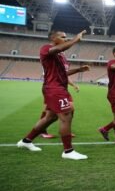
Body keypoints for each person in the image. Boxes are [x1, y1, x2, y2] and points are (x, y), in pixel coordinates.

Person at [17, 30, 90, 160]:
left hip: (60, 87)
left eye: (66, 37)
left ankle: (26, 141)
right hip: (54, 88)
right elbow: (63, 47)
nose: (65, 39)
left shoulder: (61, 56)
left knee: (49, 118)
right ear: (53, 38)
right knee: (66, 116)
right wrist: (76, 39)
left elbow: (64, 73)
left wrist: (79, 70)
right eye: (63, 37)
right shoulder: (46, 48)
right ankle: (68, 151)